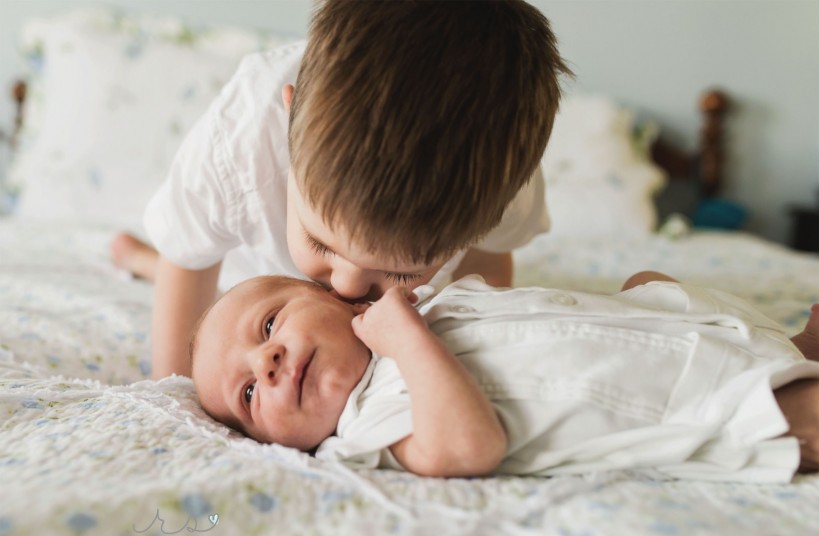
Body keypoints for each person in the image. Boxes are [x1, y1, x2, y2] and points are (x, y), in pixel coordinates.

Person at [115, 0, 570, 379]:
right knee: (228, 299)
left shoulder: (502, 184)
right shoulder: (238, 139)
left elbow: (488, 269)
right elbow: (190, 257)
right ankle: (143, 260)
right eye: (320, 241)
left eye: (401, 272)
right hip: (249, 267)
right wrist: (176, 392)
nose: (349, 286)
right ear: (290, 122)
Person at [189, 269, 819, 481]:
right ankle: (787, 377)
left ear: (340, 298)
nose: (264, 364)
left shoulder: (416, 305)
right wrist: (406, 339)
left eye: (268, 326)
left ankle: (781, 345)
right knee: (793, 412)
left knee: (647, 285)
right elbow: (469, 445)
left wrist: (402, 312)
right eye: (248, 393)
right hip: (693, 402)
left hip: (656, 329)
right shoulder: (363, 431)